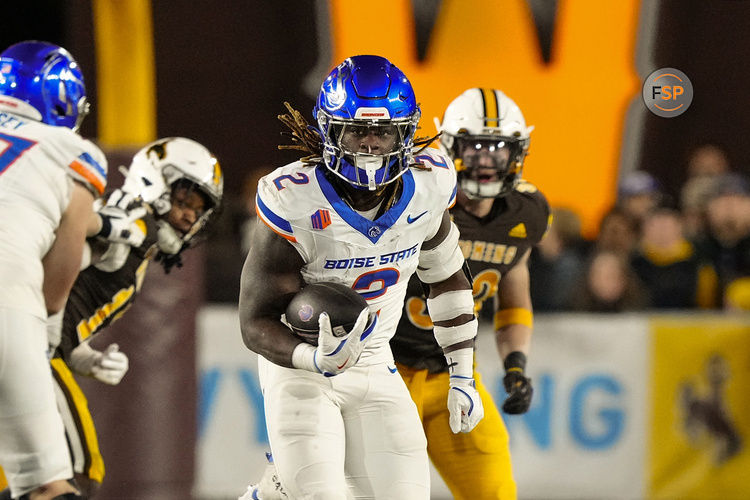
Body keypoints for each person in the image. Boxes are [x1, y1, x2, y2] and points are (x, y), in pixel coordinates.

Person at [239, 55, 483, 500]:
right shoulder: (294, 198)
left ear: (405, 133)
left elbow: (447, 278)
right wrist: (313, 360)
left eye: (383, 131)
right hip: (301, 367)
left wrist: (462, 375)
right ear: (330, 131)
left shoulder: (429, 187)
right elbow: (254, 322)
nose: (370, 145)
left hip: (374, 360)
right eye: (357, 130)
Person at [387, 88, 549, 500]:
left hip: (454, 374)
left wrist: (516, 365)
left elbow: (513, 297)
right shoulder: (414, 196)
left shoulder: (525, 213)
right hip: (382, 370)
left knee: (494, 492)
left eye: (498, 149)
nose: (487, 161)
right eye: (475, 147)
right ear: (449, 146)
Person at [42, 137, 222, 499]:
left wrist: (84, 356)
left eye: (198, 208)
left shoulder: (136, 241)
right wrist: (100, 222)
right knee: (78, 472)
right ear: (154, 181)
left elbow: (65, 310)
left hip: (39, 349)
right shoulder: (129, 224)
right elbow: (67, 246)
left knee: (43, 475)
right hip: (31, 352)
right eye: (184, 200)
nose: (189, 215)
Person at [0, 41, 107, 500]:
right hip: (7, 297)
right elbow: (56, 279)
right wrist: (46, 326)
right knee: (45, 486)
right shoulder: (67, 148)